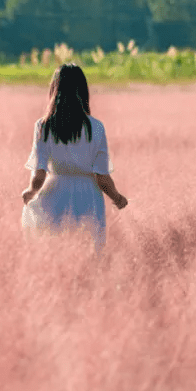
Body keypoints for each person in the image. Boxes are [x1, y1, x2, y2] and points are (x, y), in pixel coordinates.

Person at [21, 64, 127, 252]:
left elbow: (39, 173)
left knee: (54, 251)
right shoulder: (96, 127)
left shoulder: (43, 126)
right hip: (88, 197)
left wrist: (31, 191)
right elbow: (102, 178)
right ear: (83, 91)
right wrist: (117, 198)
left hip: (53, 194)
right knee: (89, 252)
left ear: (54, 90)